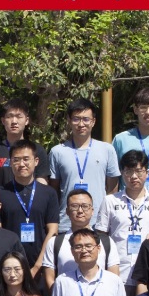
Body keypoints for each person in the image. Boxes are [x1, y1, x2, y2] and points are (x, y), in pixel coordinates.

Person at [99, 150, 149, 292]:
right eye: (128, 171)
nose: (134, 176)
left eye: (139, 171)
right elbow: (101, 236)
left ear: (147, 173)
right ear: (122, 173)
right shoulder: (110, 201)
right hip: (117, 273)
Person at [49, 97, 121, 231]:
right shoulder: (57, 152)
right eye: (76, 119)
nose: (81, 124)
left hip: (98, 223)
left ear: (93, 121)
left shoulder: (107, 150)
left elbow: (112, 190)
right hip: (66, 223)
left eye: (86, 119)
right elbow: (54, 191)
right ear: (69, 120)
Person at [0, 139, 61, 268]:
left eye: (26, 159)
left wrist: (38, 265)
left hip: (41, 263)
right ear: (10, 162)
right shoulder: (0, 193)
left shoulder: (49, 193)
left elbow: (53, 230)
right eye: (16, 160)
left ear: (36, 161)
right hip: (10, 265)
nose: (21, 164)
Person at [41, 190, 120, 286]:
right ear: (67, 211)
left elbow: (114, 278)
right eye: (74, 206)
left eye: (85, 206)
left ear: (92, 211)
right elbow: (50, 279)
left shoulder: (106, 242)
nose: (80, 211)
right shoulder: (54, 243)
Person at [0, 98, 51, 188]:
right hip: (0, 196)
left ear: (26, 120)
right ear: (3, 121)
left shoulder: (37, 149)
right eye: (9, 116)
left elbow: (42, 180)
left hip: (30, 196)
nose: (14, 121)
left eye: (19, 117)